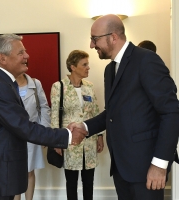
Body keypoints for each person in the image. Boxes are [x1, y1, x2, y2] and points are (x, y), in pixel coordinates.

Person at [68, 14, 179, 200]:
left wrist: (160, 164)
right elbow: (112, 113)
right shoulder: (110, 69)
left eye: (95, 39)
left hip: (147, 167)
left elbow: (171, 112)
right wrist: (85, 127)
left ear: (113, 37)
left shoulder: (146, 60)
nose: (91, 45)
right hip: (121, 168)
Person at [0, 33, 87, 200]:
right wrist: (67, 135)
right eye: (21, 52)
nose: (27, 56)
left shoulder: (2, 81)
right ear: (3, 58)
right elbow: (23, 127)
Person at [51, 50, 104, 200]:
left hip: (89, 140)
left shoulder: (90, 86)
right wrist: (57, 141)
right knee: (71, 181)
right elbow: (54, 114)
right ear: (73, 67)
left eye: (88, 64)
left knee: (89, 181)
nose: (88, 68)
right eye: (84, 64)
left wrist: (100, 135)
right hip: (69, 141)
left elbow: (95, 111)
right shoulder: (59, 87)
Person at [14, 73, 50, 200]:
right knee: (14, 172)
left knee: (29, 171)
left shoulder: (35, 83)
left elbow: (44, 107)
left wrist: (44, 132)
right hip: (12, 134)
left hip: (31, 133)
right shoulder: (5, 83)